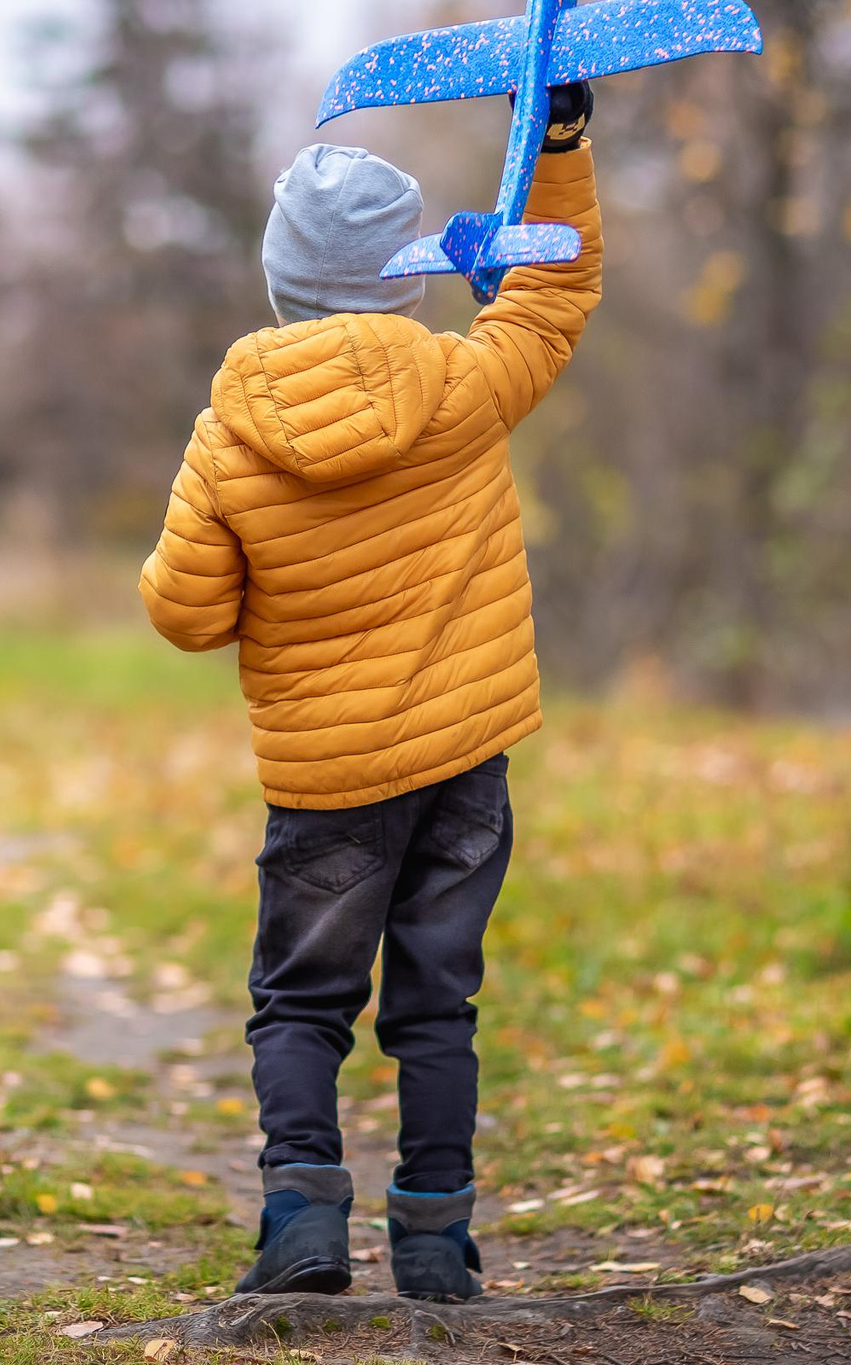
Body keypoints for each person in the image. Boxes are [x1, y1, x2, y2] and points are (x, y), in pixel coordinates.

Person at [138, 82, 602, 1302]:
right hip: (465, 765)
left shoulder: (228, 436)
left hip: (326, 780)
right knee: (437, 1004)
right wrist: (557, 142)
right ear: (405, 274)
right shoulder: (464, 384)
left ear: (281, 279)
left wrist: (238, 563)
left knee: (300, 1005)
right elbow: (552, 297)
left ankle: (298, 1221)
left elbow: (185, 614)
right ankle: (436, 1244)